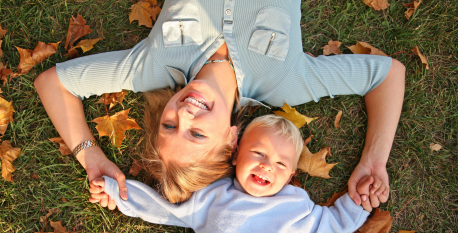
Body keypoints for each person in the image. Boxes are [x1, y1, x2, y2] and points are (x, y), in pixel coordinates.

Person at [35, 0, 405, 204]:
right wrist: (375, 160)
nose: (184, 113)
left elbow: (53, 83)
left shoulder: (152, 68)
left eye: (169, 125)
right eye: (196, 134)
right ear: (232, 140)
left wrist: (91, 156)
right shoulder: (286, 84)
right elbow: (387, 75)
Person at [89, 115, 380, 233]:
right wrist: (118, 192)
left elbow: (325, 230)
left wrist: (357, 203)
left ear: (291, 175)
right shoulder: (210, 196)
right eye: (259, 153)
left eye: (280, 164)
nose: (267, 166)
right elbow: (165, 210)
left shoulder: (291, 204)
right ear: (237, 153)